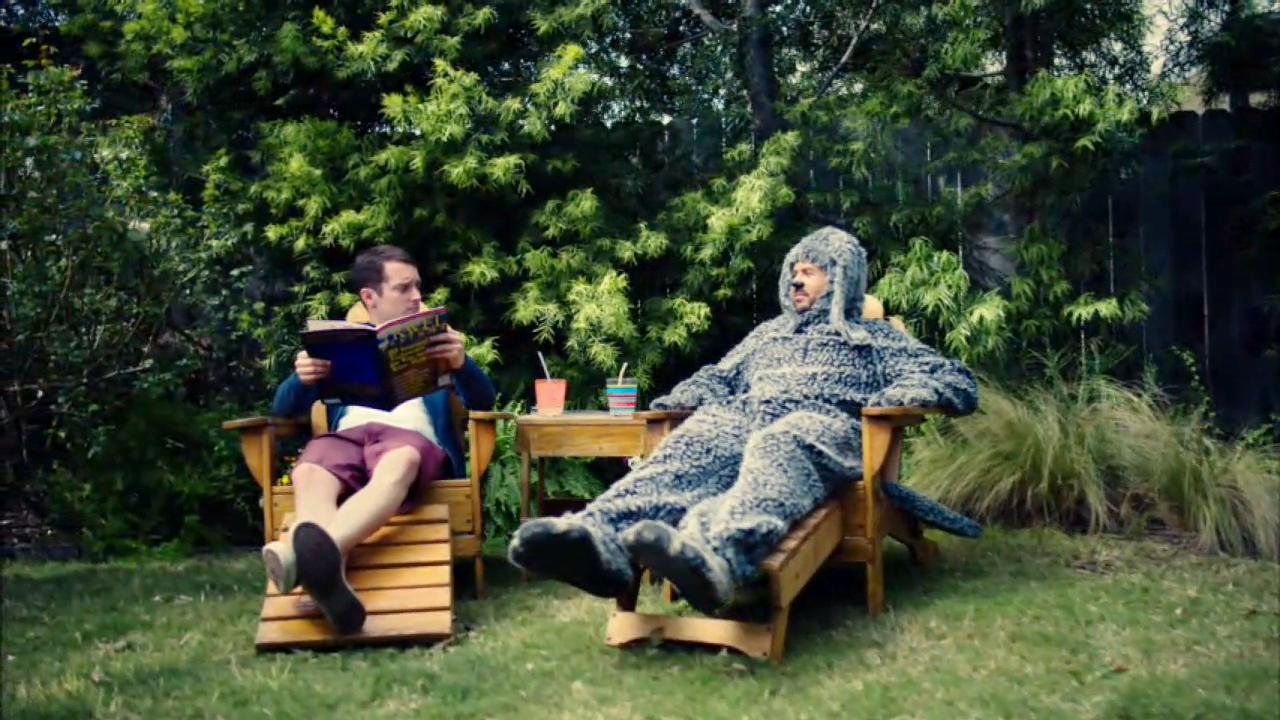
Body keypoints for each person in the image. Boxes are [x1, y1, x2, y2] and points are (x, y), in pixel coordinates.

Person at [508, 226, 981, 615]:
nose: (796, 282)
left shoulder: (873, 338)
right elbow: (721, 377)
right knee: (698, 438)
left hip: (821, 428)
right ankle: (597, 538)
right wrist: (684, 397)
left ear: (840, 278)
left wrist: (905, 393)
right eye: (793, 273)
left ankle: (719, 554)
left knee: (778, 444)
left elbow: (952, 377)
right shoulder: (768, 335)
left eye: (810, 273)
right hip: (748, 418)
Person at [264, 245, 496, 632]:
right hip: (348, 437)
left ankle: (305, 562)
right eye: (404, 288)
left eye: (417, 286)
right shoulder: (337, 347)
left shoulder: (438, 341)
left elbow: (484, 402)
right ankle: (326, 575)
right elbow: (282, 410)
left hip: (409, 439)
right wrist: (300, 379)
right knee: (309, 471)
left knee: (401, 460)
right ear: (369, 297)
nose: (417, 296)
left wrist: (462, 364)